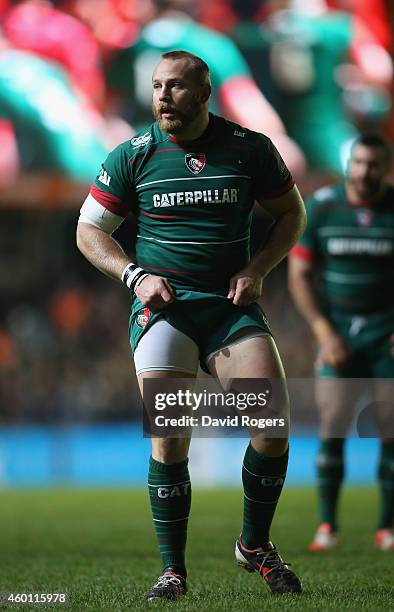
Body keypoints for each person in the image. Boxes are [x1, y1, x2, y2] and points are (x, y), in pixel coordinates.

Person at [76, 50, 306, 600]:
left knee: (272, 430)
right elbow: (89, 232)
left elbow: (292, 213)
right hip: (165, 311)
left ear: (205, 94)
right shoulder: (132, 154)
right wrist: (134, 276)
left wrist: (258, 268)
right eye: (157, 86)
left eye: (176, 87)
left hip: (229, 309)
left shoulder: (250, 149)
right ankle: (173, 570)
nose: (162, 97)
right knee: (171, 437)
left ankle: (253, 545)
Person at [288, 134, 394, 551]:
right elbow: (299, 276)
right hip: (337, 336)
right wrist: (323, 331)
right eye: (360, 163)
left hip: (386, 338)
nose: (366, 172)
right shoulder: (323, 208)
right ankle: (327, 526)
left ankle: (387, 527)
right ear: (349, 164)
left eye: (375, 165)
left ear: (385, 169)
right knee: (332, 424)